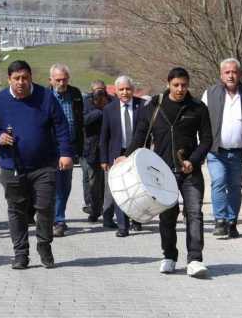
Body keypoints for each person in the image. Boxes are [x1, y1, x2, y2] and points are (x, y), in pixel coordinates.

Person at [119, 67, 212, 277]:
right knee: (167, 217)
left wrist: (194, 161)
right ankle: (169, 256)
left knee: (195, 214)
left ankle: (195, 259)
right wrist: (127, 156)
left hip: (190, 171)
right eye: (176, 85)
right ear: (168, 83)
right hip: (161, 173)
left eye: (184, 85)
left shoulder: (197, 108)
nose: (180, 89)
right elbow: (140, 136)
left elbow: (207, 139)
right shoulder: (153, 106)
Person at [0, 60, 73, 269]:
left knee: (45, 207)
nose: (21, 82)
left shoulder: (46, 97)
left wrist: (66, 153)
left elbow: (61, 126)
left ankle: (44, 245)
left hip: (44, 165)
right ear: (9, 80)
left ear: (31, 77)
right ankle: (21, 253)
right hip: (12, 166)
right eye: (16, 78)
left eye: (25, 78)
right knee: (17, 210)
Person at [202, 58, 242, 238]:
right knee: (218, 182)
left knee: (235, 187)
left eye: (234, 72)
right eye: (227, 72)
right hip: (216, 151)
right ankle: (220, 220)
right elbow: (200, 122)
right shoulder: (209, 94)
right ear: (221, 75)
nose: (231, 75)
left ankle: (232, 221)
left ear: (240, 74)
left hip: (239, 152)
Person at [100, 75, 144, 237]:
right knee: (120, 190)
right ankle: (122, 226)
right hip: (116, 154)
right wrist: (104, 159)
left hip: (137, 154)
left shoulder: (142, 106)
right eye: (121, 89)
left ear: (133, 90)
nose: (125, 92)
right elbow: (104, 136)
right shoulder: (109, 109)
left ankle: (137, 220)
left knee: (137, 189)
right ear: (116, 92)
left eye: (128, 89)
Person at [48, 63, 84, 238]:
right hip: (49, 147)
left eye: (64, 79)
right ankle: (53, 218)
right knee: (49, 185)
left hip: (69, 147)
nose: (61, 83)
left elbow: (80, 118)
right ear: (51, 80)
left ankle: (59, 219)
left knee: (64, 185)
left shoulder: (75, 94)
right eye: (58, 80)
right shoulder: (45, 96)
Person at [82, 81, 115, 224]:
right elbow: (83, 121)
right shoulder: (86, 102)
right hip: (92, 148)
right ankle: (94, 210)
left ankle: (108, 215)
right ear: (91, 91)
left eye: (102, 90)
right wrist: (99, 111)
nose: (99, 93)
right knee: (94, 183)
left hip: (109, 146)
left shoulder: (112, 101)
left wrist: (106, 107)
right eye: (96, 90)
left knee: (110, 183)